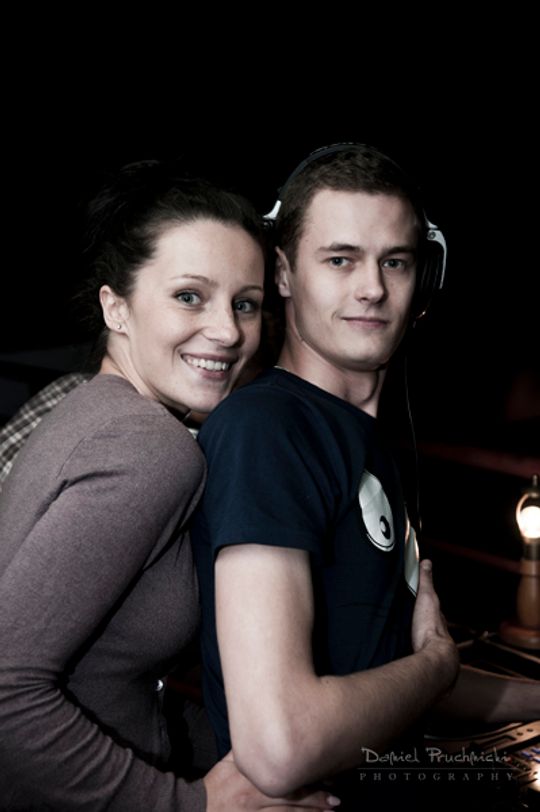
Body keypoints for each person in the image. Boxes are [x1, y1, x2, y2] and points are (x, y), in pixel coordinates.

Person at [191, 145, 539, 808]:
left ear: (424, 281)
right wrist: (434, 665)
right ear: (283, 272)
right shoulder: (267, 433)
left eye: (395, 262)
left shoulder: (365, 439)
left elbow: (393, 677)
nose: (374, 288)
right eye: (341, 259)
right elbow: (280, 746)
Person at [0, 161, 338, 812]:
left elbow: (103, 683)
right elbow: (8, 687)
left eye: (245, 303)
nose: (228, 331)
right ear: (116, 307)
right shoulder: (152, 450)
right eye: (189, 296)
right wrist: (189, 804)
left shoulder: (85, 406)